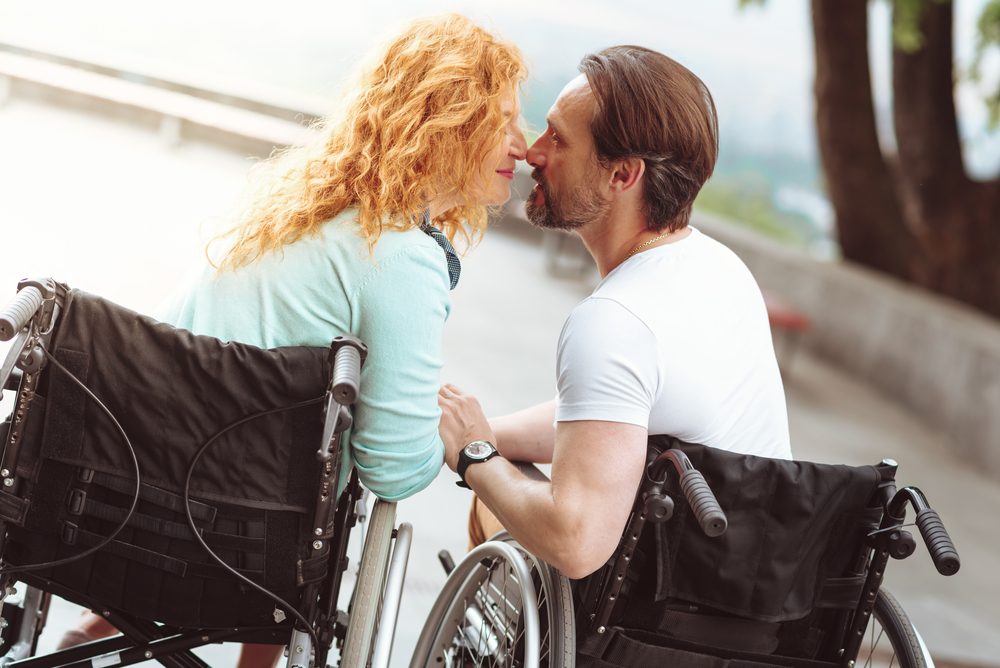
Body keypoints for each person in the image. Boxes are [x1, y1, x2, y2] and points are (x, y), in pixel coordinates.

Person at [58, 14, 527, 667]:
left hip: (123, 505)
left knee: (281, 441)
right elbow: (393, 467)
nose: (523, 143)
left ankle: (97, 626)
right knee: (308, 480)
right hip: (242, 550)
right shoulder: (400, 257)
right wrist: (454, 440)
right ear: (451, 121)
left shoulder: (296, 205)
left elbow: (180, 362)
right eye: (503, 120)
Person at [437, 45, 791, 581]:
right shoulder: (722, 269)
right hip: (753, 593)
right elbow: (608, 416)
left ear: (622, 175)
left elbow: (576, 541)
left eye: (558, 138)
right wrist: (482, 432)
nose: (533, 152)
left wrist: (475, 455)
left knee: (493, 504)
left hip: (661, 608)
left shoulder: (614, 320)